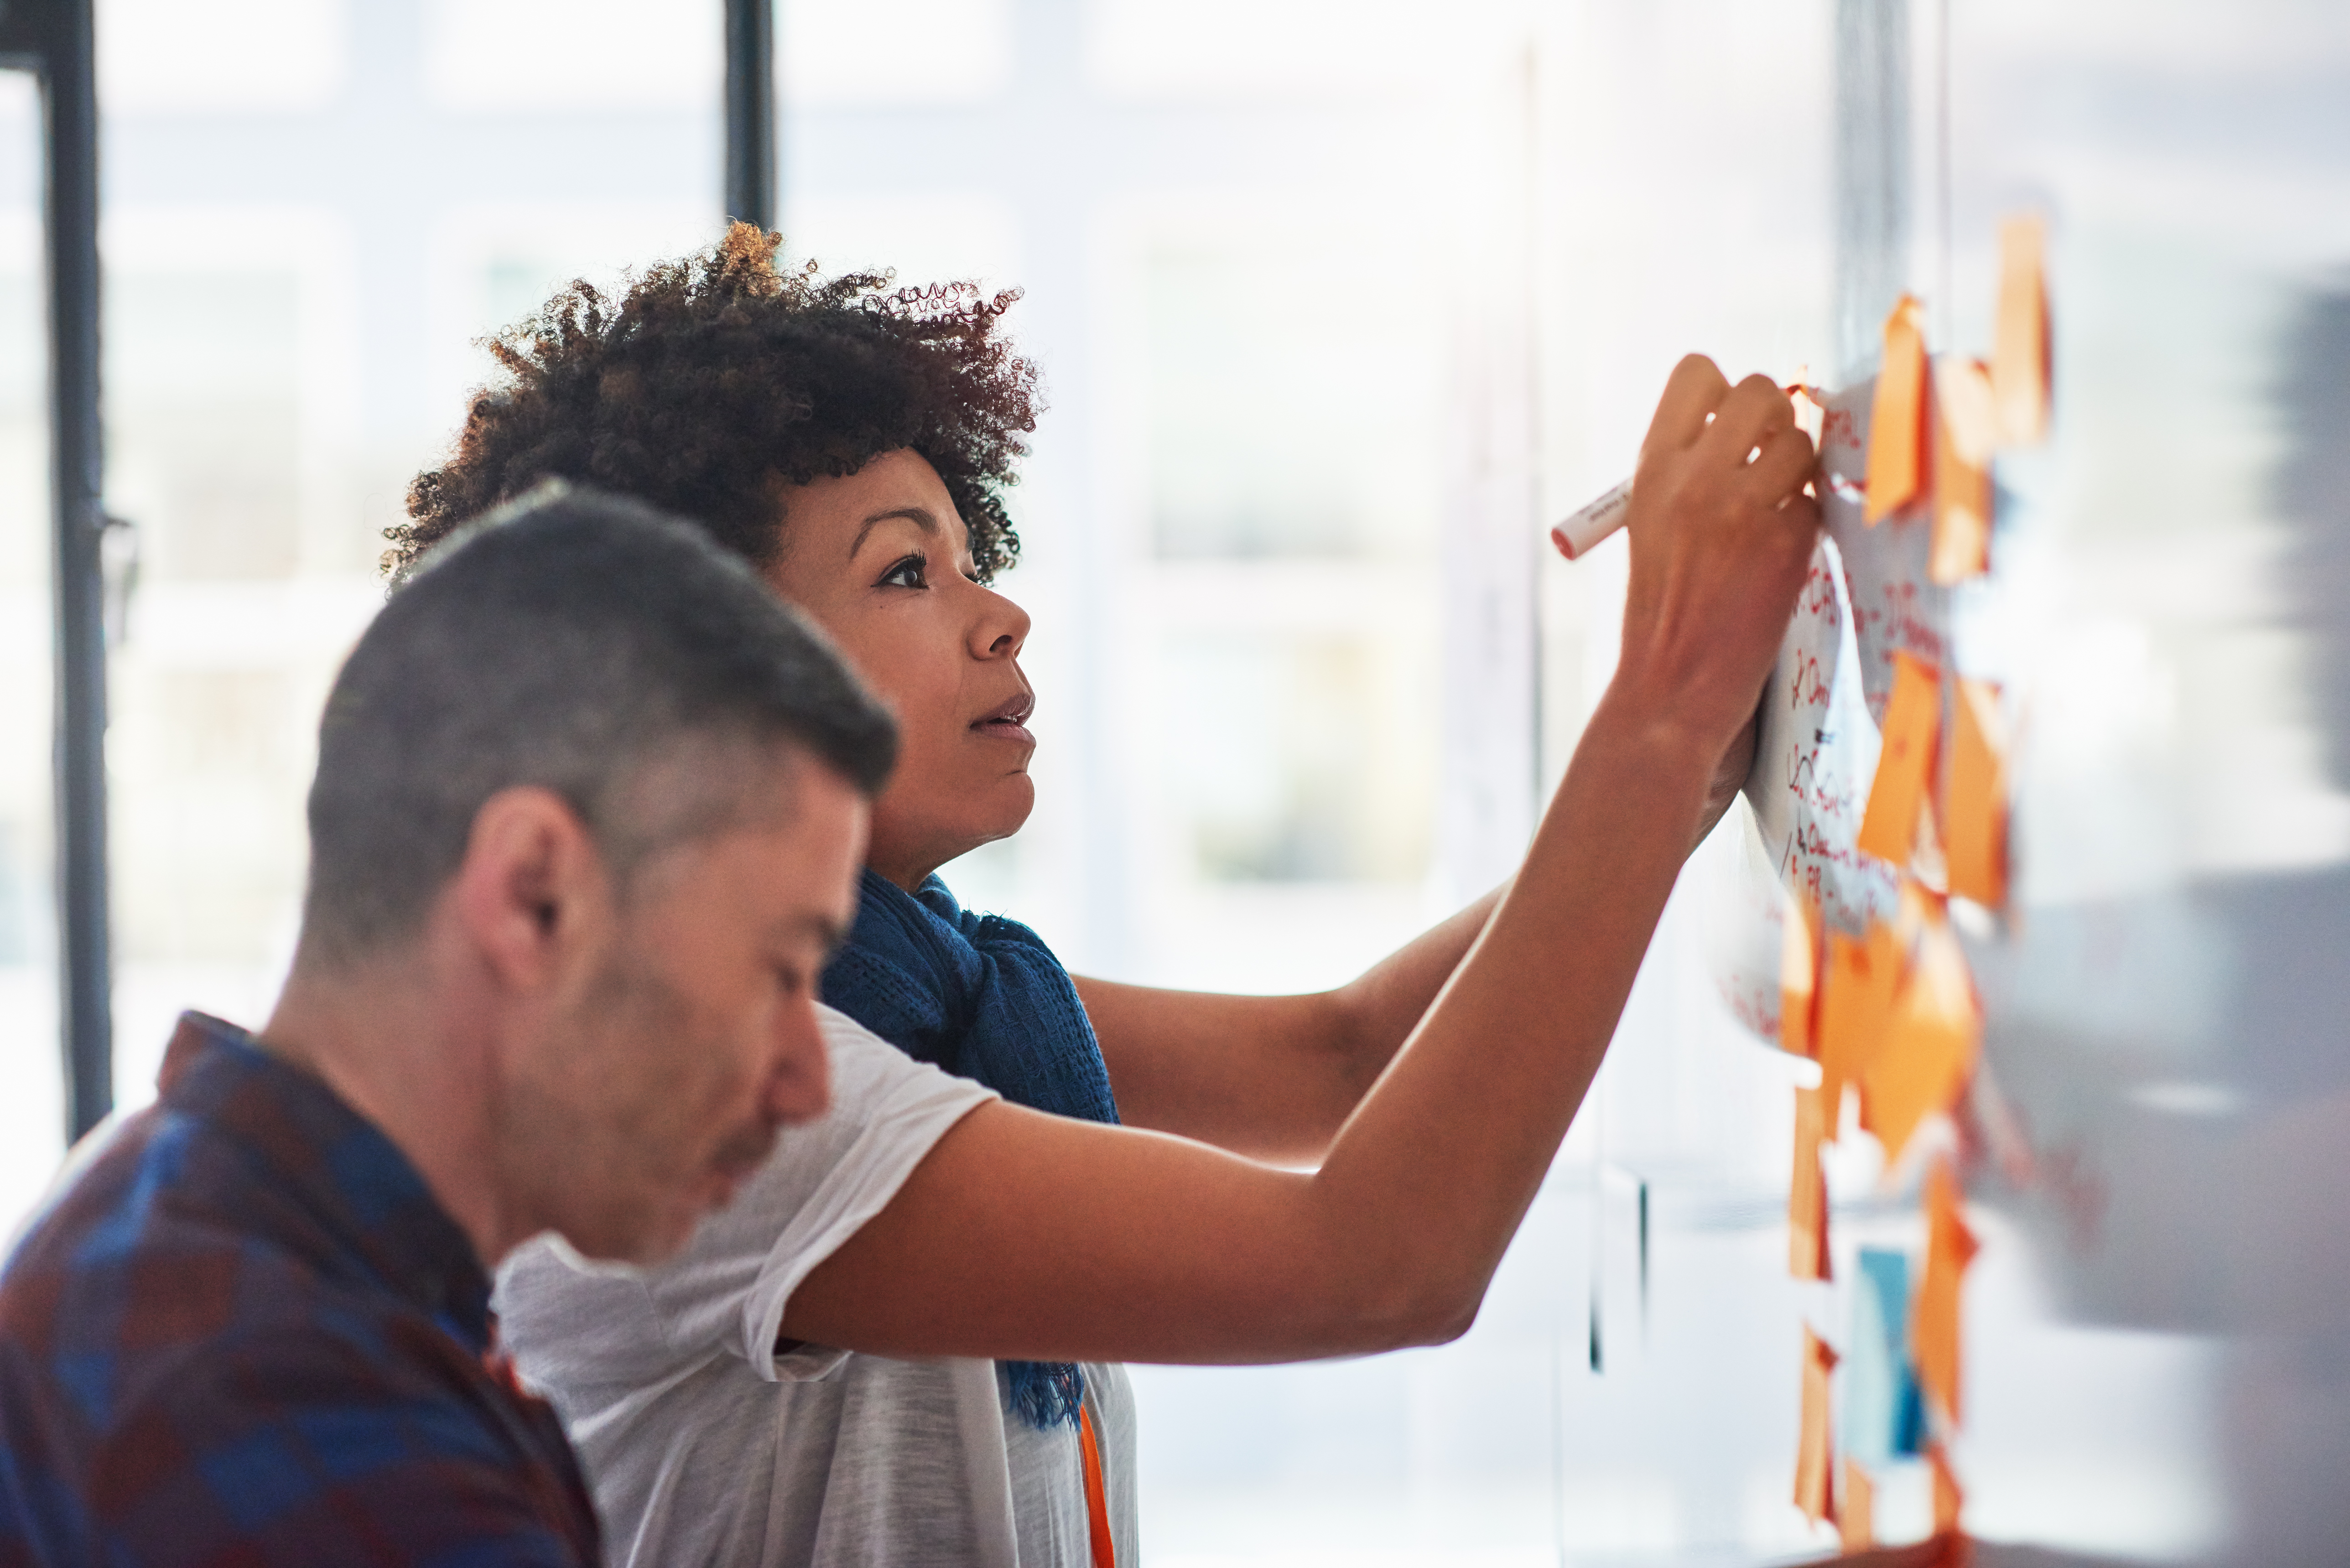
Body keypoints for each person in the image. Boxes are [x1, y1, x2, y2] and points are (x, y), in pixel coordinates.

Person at [385, 225, 1813, 1567]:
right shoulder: (702, 1097)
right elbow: (1381, 1262)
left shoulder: (935, 998)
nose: (997, 611)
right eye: (905, 571)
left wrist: (1686, 775)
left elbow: (1344, 1054)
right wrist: (1661, 704)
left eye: (970, 557)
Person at [0, 487, 905, 1566]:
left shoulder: (221, 1238)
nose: (806, 1081)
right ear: (534, 897)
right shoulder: (289, 1404)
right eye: (777, 970)